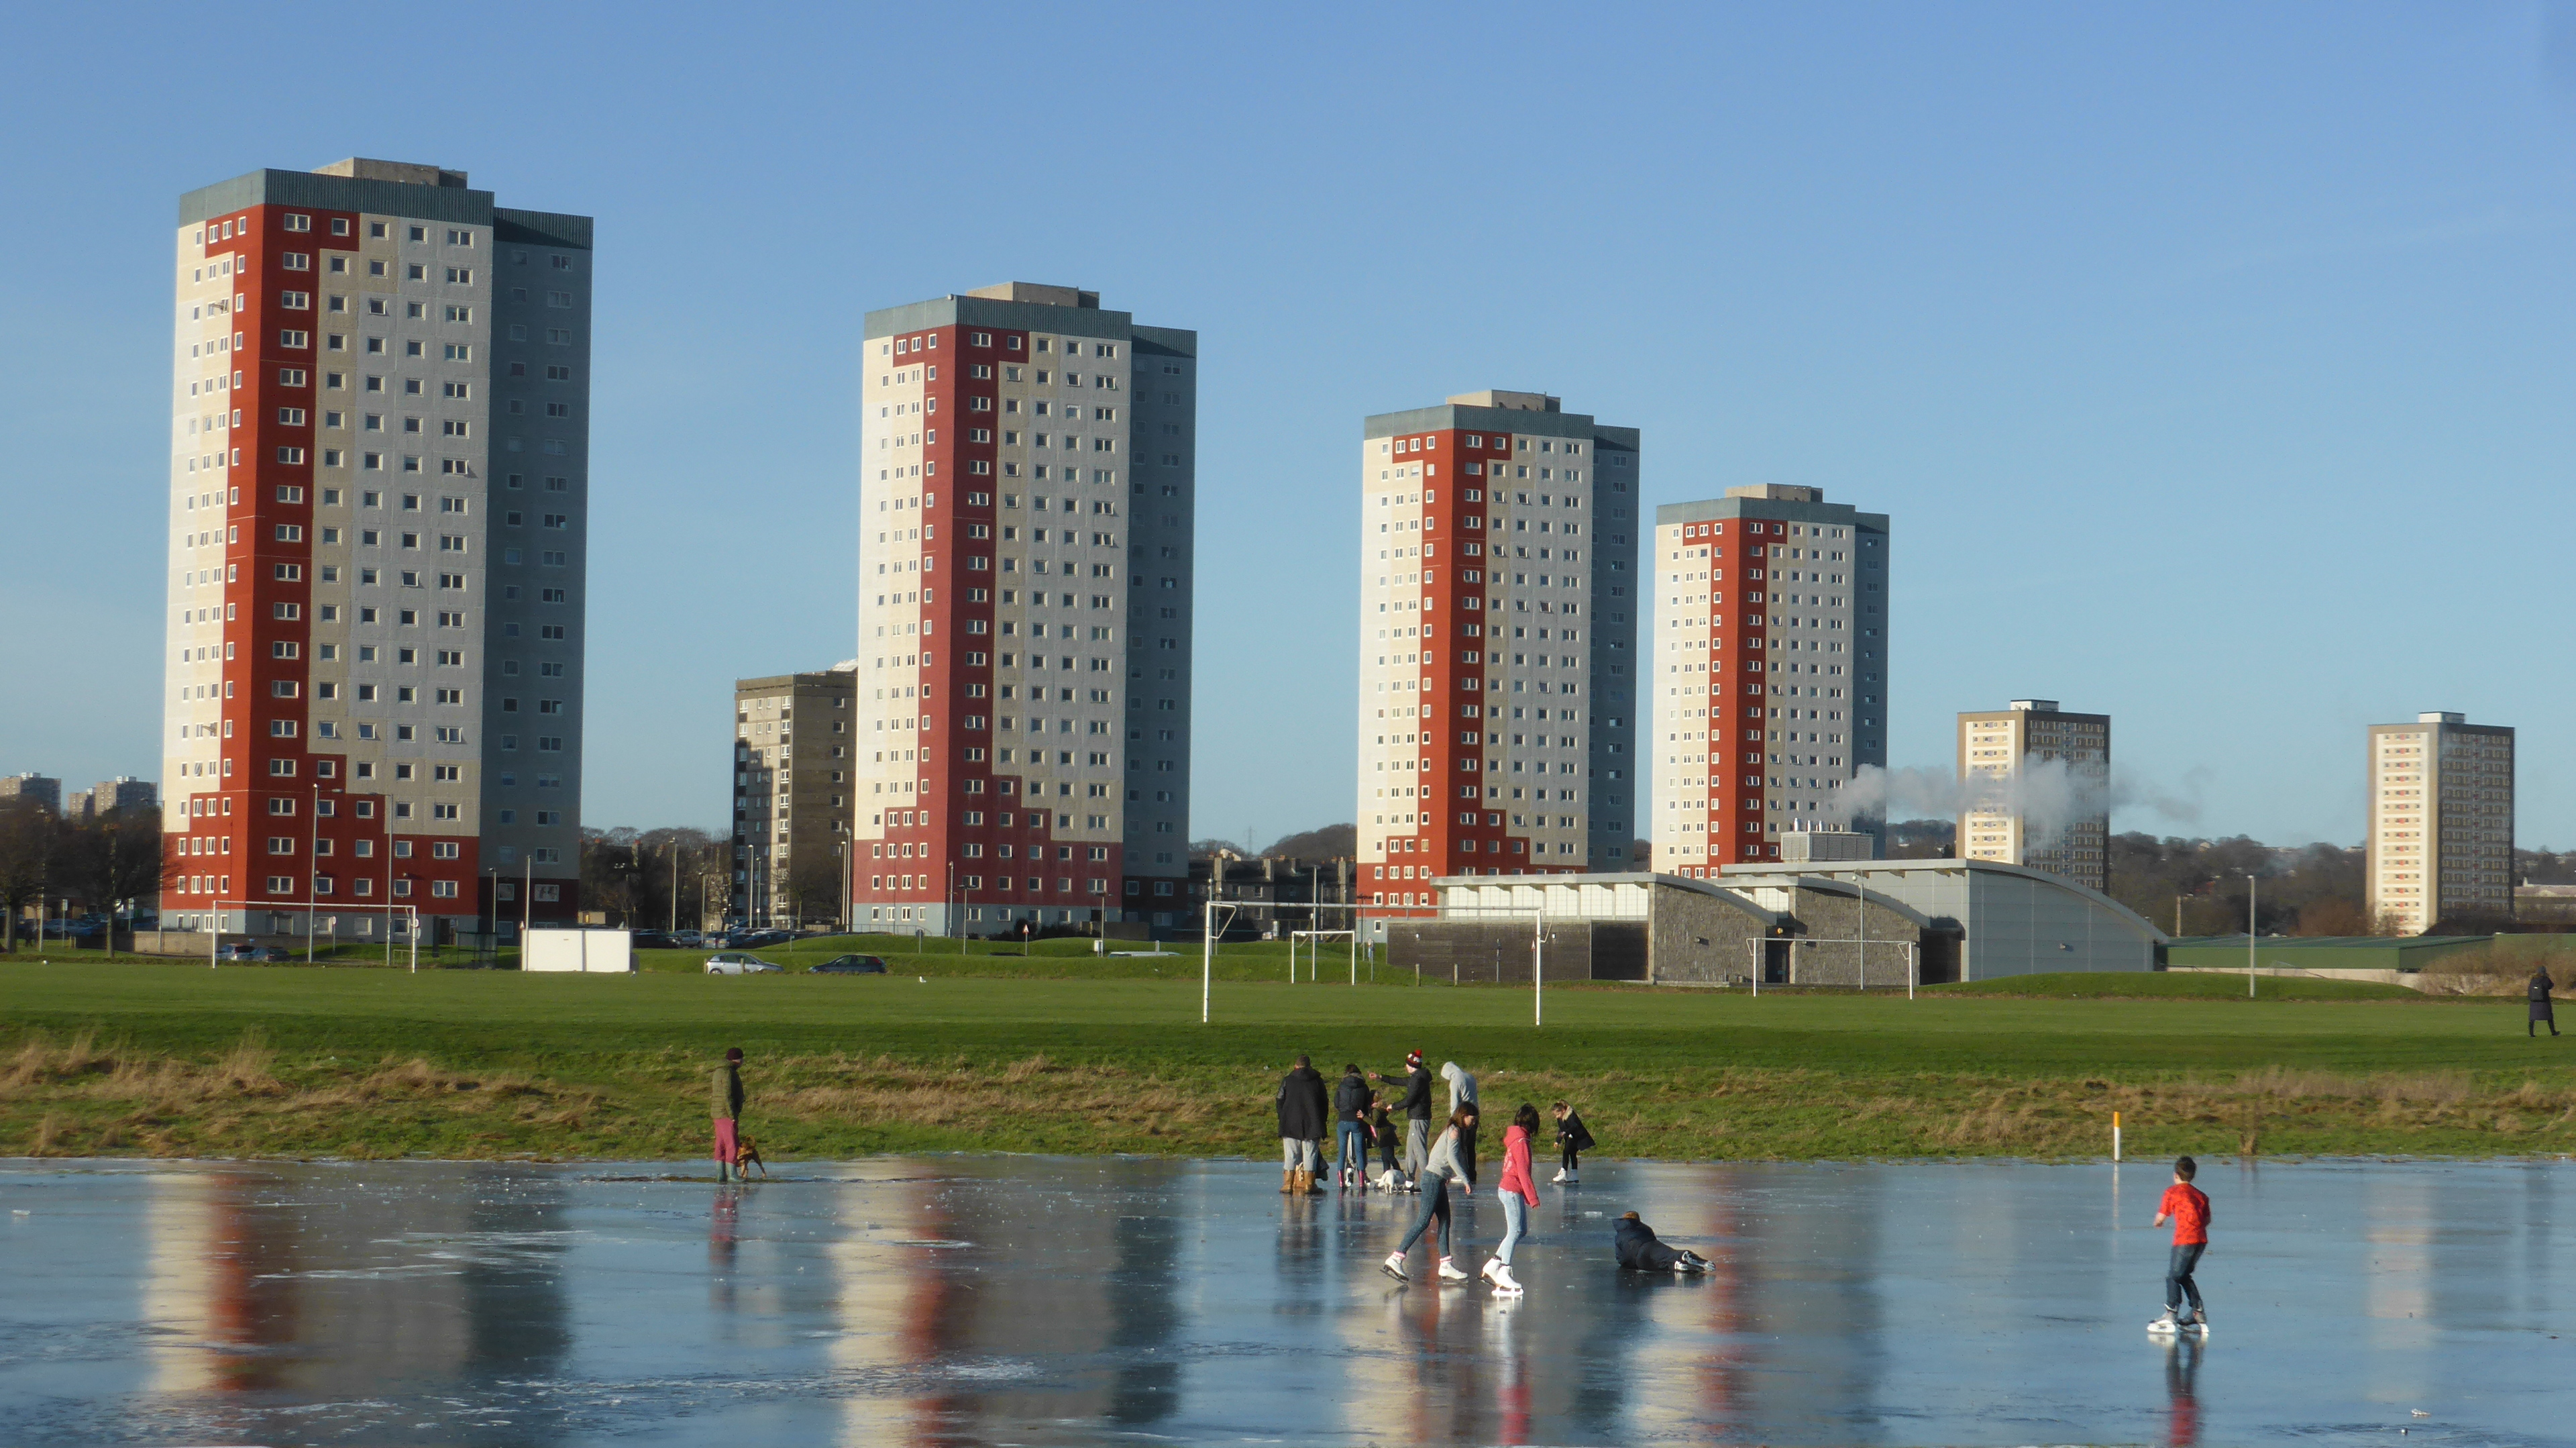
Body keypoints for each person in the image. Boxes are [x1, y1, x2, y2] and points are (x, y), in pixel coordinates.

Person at [1382, 1105, 1478, 1283]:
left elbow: (1438, 1155)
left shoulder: (1452, 1130)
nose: (1474, 1123)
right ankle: (1396, 1258)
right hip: (1433, 1179)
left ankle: (1446, 1264)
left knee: (1445, 1220)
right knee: (1424, 1221)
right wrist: (1464, 1179)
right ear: (1464, 1116)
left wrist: (1446, 1175)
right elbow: (1452, 1158)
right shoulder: (1454, 1132)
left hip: (1438, 1179)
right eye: (1472, 1119)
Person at [1482, 1103, 1543, 1295]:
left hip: (1509, 1189)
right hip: (1511, 1189)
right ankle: (1504, 1270)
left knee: (1520, 1230)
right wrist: (1532, 1197)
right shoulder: (1521, 1142)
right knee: (1515, 1230)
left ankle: (1494, 1264)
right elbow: (1523, 1172)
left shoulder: (1517, 1138)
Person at [2149, 1155, 2212, 1334]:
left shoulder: (2172, 1192)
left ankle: (2171, 1312)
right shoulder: (2201, 1196)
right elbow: (2207, 1220)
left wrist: (2157, 1223)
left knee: (2173, 1277)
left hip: (2184, 1240)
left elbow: (2160, 1217)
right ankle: (2197, 1312)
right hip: (2201, 1241)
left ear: (2176, 1175)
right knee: (2183, 1276)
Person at [1376, 1051, 1435, 1186]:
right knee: (1411, 1150)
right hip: (1416, 1117)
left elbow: (1409, 1100)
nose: (1405, 1067)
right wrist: (1381, 1077)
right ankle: (1409, 1180)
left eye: (1407, 1064)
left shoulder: (1418, 1079)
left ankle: (1429, 1179)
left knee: (1419, 1150)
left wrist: (1393, 1106)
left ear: (1411, 1065)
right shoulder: (1417, 1077)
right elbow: (1400, 1081)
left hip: (1419, 1118)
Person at [1275, 1053, 1330, 1195]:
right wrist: (1322, 1120)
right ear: (1310, 1066)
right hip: (1313, 1123)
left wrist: (1283, 1117)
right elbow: (1324, 1103)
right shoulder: (1317, 1081)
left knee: (1290, 1155)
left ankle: (1288, 1185)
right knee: (1310, 1155)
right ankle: (1309, 1185)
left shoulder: (1288, 1080)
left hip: (1290, 1123)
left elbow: (1279, 1099)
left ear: (1295, 1066)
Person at [1612, 1211, 1709, 1273]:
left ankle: (1676, 1266)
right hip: (1650, 1245)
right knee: (1668, 1254)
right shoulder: (1645, 1228)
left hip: (1639, 1261)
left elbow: (1621, 1259)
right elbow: (1652, 1238)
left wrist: (1632, 1265)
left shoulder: (1619, 1235)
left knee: (1660, 1265)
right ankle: (1681, 1256)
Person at [1332, 1064, 1373, 1189]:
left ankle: (1341, 1182)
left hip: (1343, 1119)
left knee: (1342, 1152)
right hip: (1357, 1120)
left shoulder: (1341, 1085)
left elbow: (1336, 1103)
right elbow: (1367, 1105)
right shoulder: (1364, 1087)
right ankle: (1361, 1182)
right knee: (1360, 1151)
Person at [1441, 1060, 1480, 1181]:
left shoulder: (1455, 1080)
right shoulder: (1470, 1077)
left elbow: (1455, 1102)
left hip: (1463, 1117)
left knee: (1460, 1145)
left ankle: (1462, 1172)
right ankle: (1472, 1173)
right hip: (1475, 1114)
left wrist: (1453, 1119)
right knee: (1470, 1146)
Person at [712, 1047, 746, 1183]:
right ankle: (732, 1174)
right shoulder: (728, 1073)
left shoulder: (719, 1071)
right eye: (742, 1059)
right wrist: (732, 1115)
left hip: (717, 1112)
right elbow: (727, 1095)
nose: (743, 1061)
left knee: (720, 1142)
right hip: (725, 1113)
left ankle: (721, 1174)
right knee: (732, 1143)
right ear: (737, 1060)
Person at [1551, 1100, 1595, 1184]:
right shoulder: (1560, 1118)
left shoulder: (1571, 1115)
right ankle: (1574, 1174)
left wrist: (1566, 1132)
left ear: (1563, 1111)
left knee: (1566, 1151)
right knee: (1572, 1154)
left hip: (1577, 1136)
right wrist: (1558, 1141)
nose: (1557, 1117)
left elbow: (1575, 1126)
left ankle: (1564, 1172)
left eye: (1558, 1114)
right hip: (1570, 1136)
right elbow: (1561, 1129)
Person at [1371, 1096, 1404, 1187]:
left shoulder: (1376, 1111)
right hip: (1387, 1135)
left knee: (1389, 1157)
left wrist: (1364, 1117)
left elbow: (1375, 1123)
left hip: (1384, 1137)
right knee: (1386, 1158)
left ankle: (1400, 1173)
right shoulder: (1380, 1111)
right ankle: (1387, 1176)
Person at [2531, 968, 2560, 1038]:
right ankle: (2553, 1032)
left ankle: (2531, 1033)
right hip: (2545, 1001)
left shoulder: (2533, 980)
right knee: (2549, 1017)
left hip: (2534, 1002)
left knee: (2532, 1018)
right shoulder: (2546, 979)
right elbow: (2551, 986)